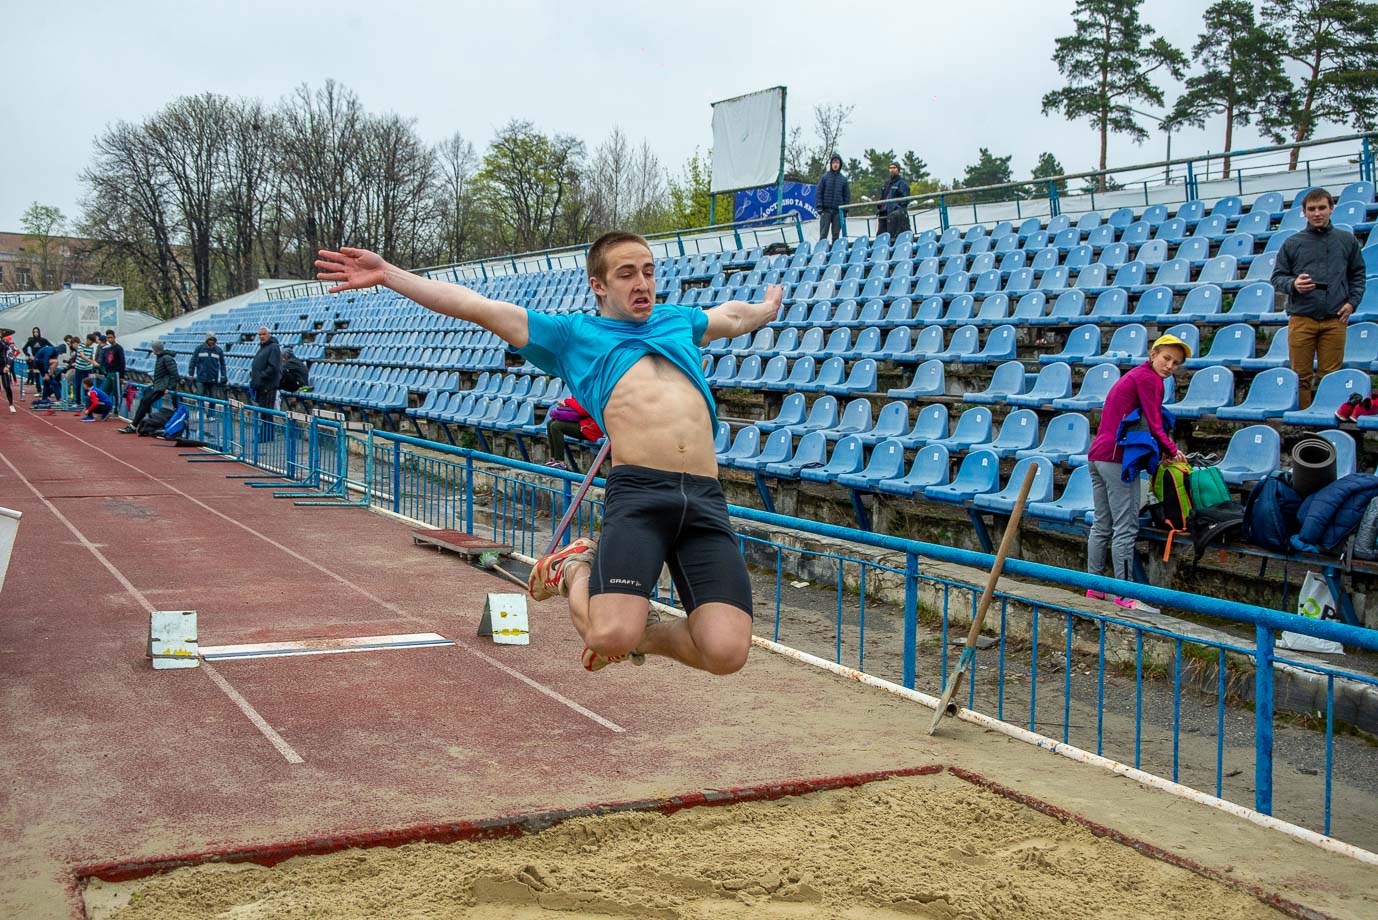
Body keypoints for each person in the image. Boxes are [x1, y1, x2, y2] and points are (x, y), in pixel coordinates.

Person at [317, 233, 784, 675]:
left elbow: (735, 317)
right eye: (626, 274)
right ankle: (572, 567)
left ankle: (638, 642)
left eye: (647, 271)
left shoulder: (678, 321)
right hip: (641, 495)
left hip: (704, 498)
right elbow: (476, 306)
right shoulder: (571, 336)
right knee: (607, 634)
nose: (642, 283)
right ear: (598, 285)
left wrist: (767, 307)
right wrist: (390, 274)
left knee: (726, 652)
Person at [1085, 334, 1192, 614]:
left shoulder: (1134, 375)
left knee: (1102, 524)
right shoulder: (1149, 379)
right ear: (1153, 354)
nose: (1170, 366)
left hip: (1097, 455)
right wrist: (1171, 448)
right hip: (1117, 460)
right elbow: (1155, 422)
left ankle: (1094, 587)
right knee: (1125, 527)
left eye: (1175, 363)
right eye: (1166, 358)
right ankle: (1125, 594)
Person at [1272, 188, 1367, 412]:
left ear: (1331, 209)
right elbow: (1277, 277)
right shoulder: (1292, 243)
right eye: (1312, 209)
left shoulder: (1346, 240)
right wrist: (1293, 284)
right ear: (1304, 212)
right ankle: (1306, 423)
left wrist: (1352, 302)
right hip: (1301, 318)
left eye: (1322, 208)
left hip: (1336, 319)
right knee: (1300, 377)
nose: (1317, 213)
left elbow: (1358, 275)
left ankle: (1328, 421)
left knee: (1330, 376)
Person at [118, 341, 179, 433]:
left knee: (145, 402)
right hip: (158, 386)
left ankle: (135, 425)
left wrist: (169, 387)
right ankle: (137, 424)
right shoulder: (161, 357)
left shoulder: (166, 358)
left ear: (155, 349)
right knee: (144, 402)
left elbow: (175, 374)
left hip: (161, 387)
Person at [544, 395, 603, 472]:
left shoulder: (589, 391)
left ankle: (561, 462)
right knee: (550, 423)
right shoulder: (577, 388)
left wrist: (567, 402)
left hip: (590, 428)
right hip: (581, 422)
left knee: (556, 426)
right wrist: (565, 404)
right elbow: (576, 405)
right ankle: (554, 459)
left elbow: (583, 410)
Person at [815, 153, 850, 244]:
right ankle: (821, 253)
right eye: (834, 162)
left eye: (837, 162)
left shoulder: (843, 179)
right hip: (825, 211)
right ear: (831, 164)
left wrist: (845, 211)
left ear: (840, 164)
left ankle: (835, 254)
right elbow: (819, 193)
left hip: (838, 212)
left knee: (836, 235)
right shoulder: (824, 177)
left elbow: (847, 196)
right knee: (823, 234)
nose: (835, 164)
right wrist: (820, 208)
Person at [250, 327, 281, 411]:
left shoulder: (273, 347)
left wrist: (260, 376)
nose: (261, 336)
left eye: (264, 334)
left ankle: (268, 425)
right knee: (263, 414)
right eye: (259, 335)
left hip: (268, 387)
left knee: (267, 414)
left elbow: (273, 367)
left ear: (269, 335)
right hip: (261, 387)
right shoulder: (263, 347)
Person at [878, 161, 910, 239]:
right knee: (881, 237)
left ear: (898, 170)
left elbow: (905, 200)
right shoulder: (886, 184)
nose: (892, 170)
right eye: (890, 168)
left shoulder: (902, 184)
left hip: (894, 215)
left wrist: (896, 208)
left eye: (894, 168)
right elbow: (882, 197)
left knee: (894, 237)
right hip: (883, 214)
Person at [99, 329, 125, 404]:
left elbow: (122, 362)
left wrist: (122, 376)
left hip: (116, 373)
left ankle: (116, 410)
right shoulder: (108, 348)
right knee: (104, 391)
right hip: (109, 373)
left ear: (114, 337)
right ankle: (106, 408)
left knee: (116, 393)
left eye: (111, 337)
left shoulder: (119, 348)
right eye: (108, 338)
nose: (109, 339)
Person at [1, 335, 16, 413]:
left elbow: (11, 355)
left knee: (7, 386)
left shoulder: (5, 344)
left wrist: (7, 366)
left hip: (3, 367)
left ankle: (11, 404)